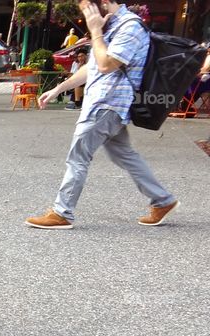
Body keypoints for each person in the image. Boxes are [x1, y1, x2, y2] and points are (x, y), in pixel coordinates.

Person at [26, 0, 178, 229]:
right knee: (124, 155)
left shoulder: (130, 27)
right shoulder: (113, 26)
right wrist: (58, 89)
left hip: (107, 104)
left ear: (105, 3)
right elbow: (93, 67)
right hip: (106, 104)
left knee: (78, 157)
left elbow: (107, 64)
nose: (87, 13)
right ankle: (162, 200)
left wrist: (96, 31)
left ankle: (62, 212)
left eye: (90, 8)